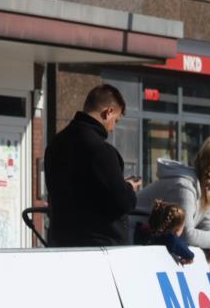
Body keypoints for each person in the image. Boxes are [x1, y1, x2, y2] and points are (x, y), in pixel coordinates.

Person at [44, 84, 141, 247]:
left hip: (60, 241)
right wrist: (129, 187)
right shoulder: (101, 150)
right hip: (98, 246)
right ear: (108, 112)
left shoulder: (55, 143)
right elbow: (122, 201)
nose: (112, 129)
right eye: (115, 121)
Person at [131, 137, 210, 262]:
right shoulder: (184, 186)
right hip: (129, 241)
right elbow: (186, 235)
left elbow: (208, 228)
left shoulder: (205, 190)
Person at [137, 199, 195, 264]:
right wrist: (190, 257)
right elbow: (188, 253)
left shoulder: (142, 230)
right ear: (177, 229)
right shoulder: (170, 239)